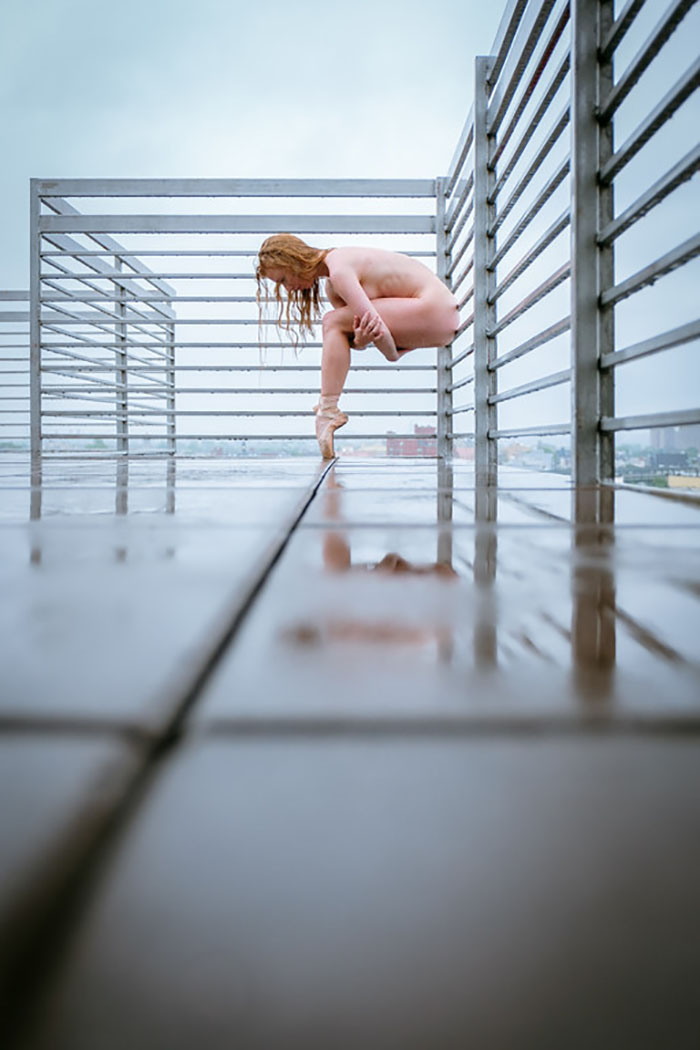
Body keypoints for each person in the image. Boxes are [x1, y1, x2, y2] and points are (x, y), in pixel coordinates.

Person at [256, 234, 459, 457]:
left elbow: (376, 327)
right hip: (433, 318)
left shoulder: (339, 270)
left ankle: (328, 409)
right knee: (335, 322)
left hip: (436, 310)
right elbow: (358, 334)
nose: (288, 289)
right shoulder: (333, 285)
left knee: (331, 321)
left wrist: (392, 355)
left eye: (283, 280)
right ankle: (328, 408)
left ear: (292, 262)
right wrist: (363, 341)